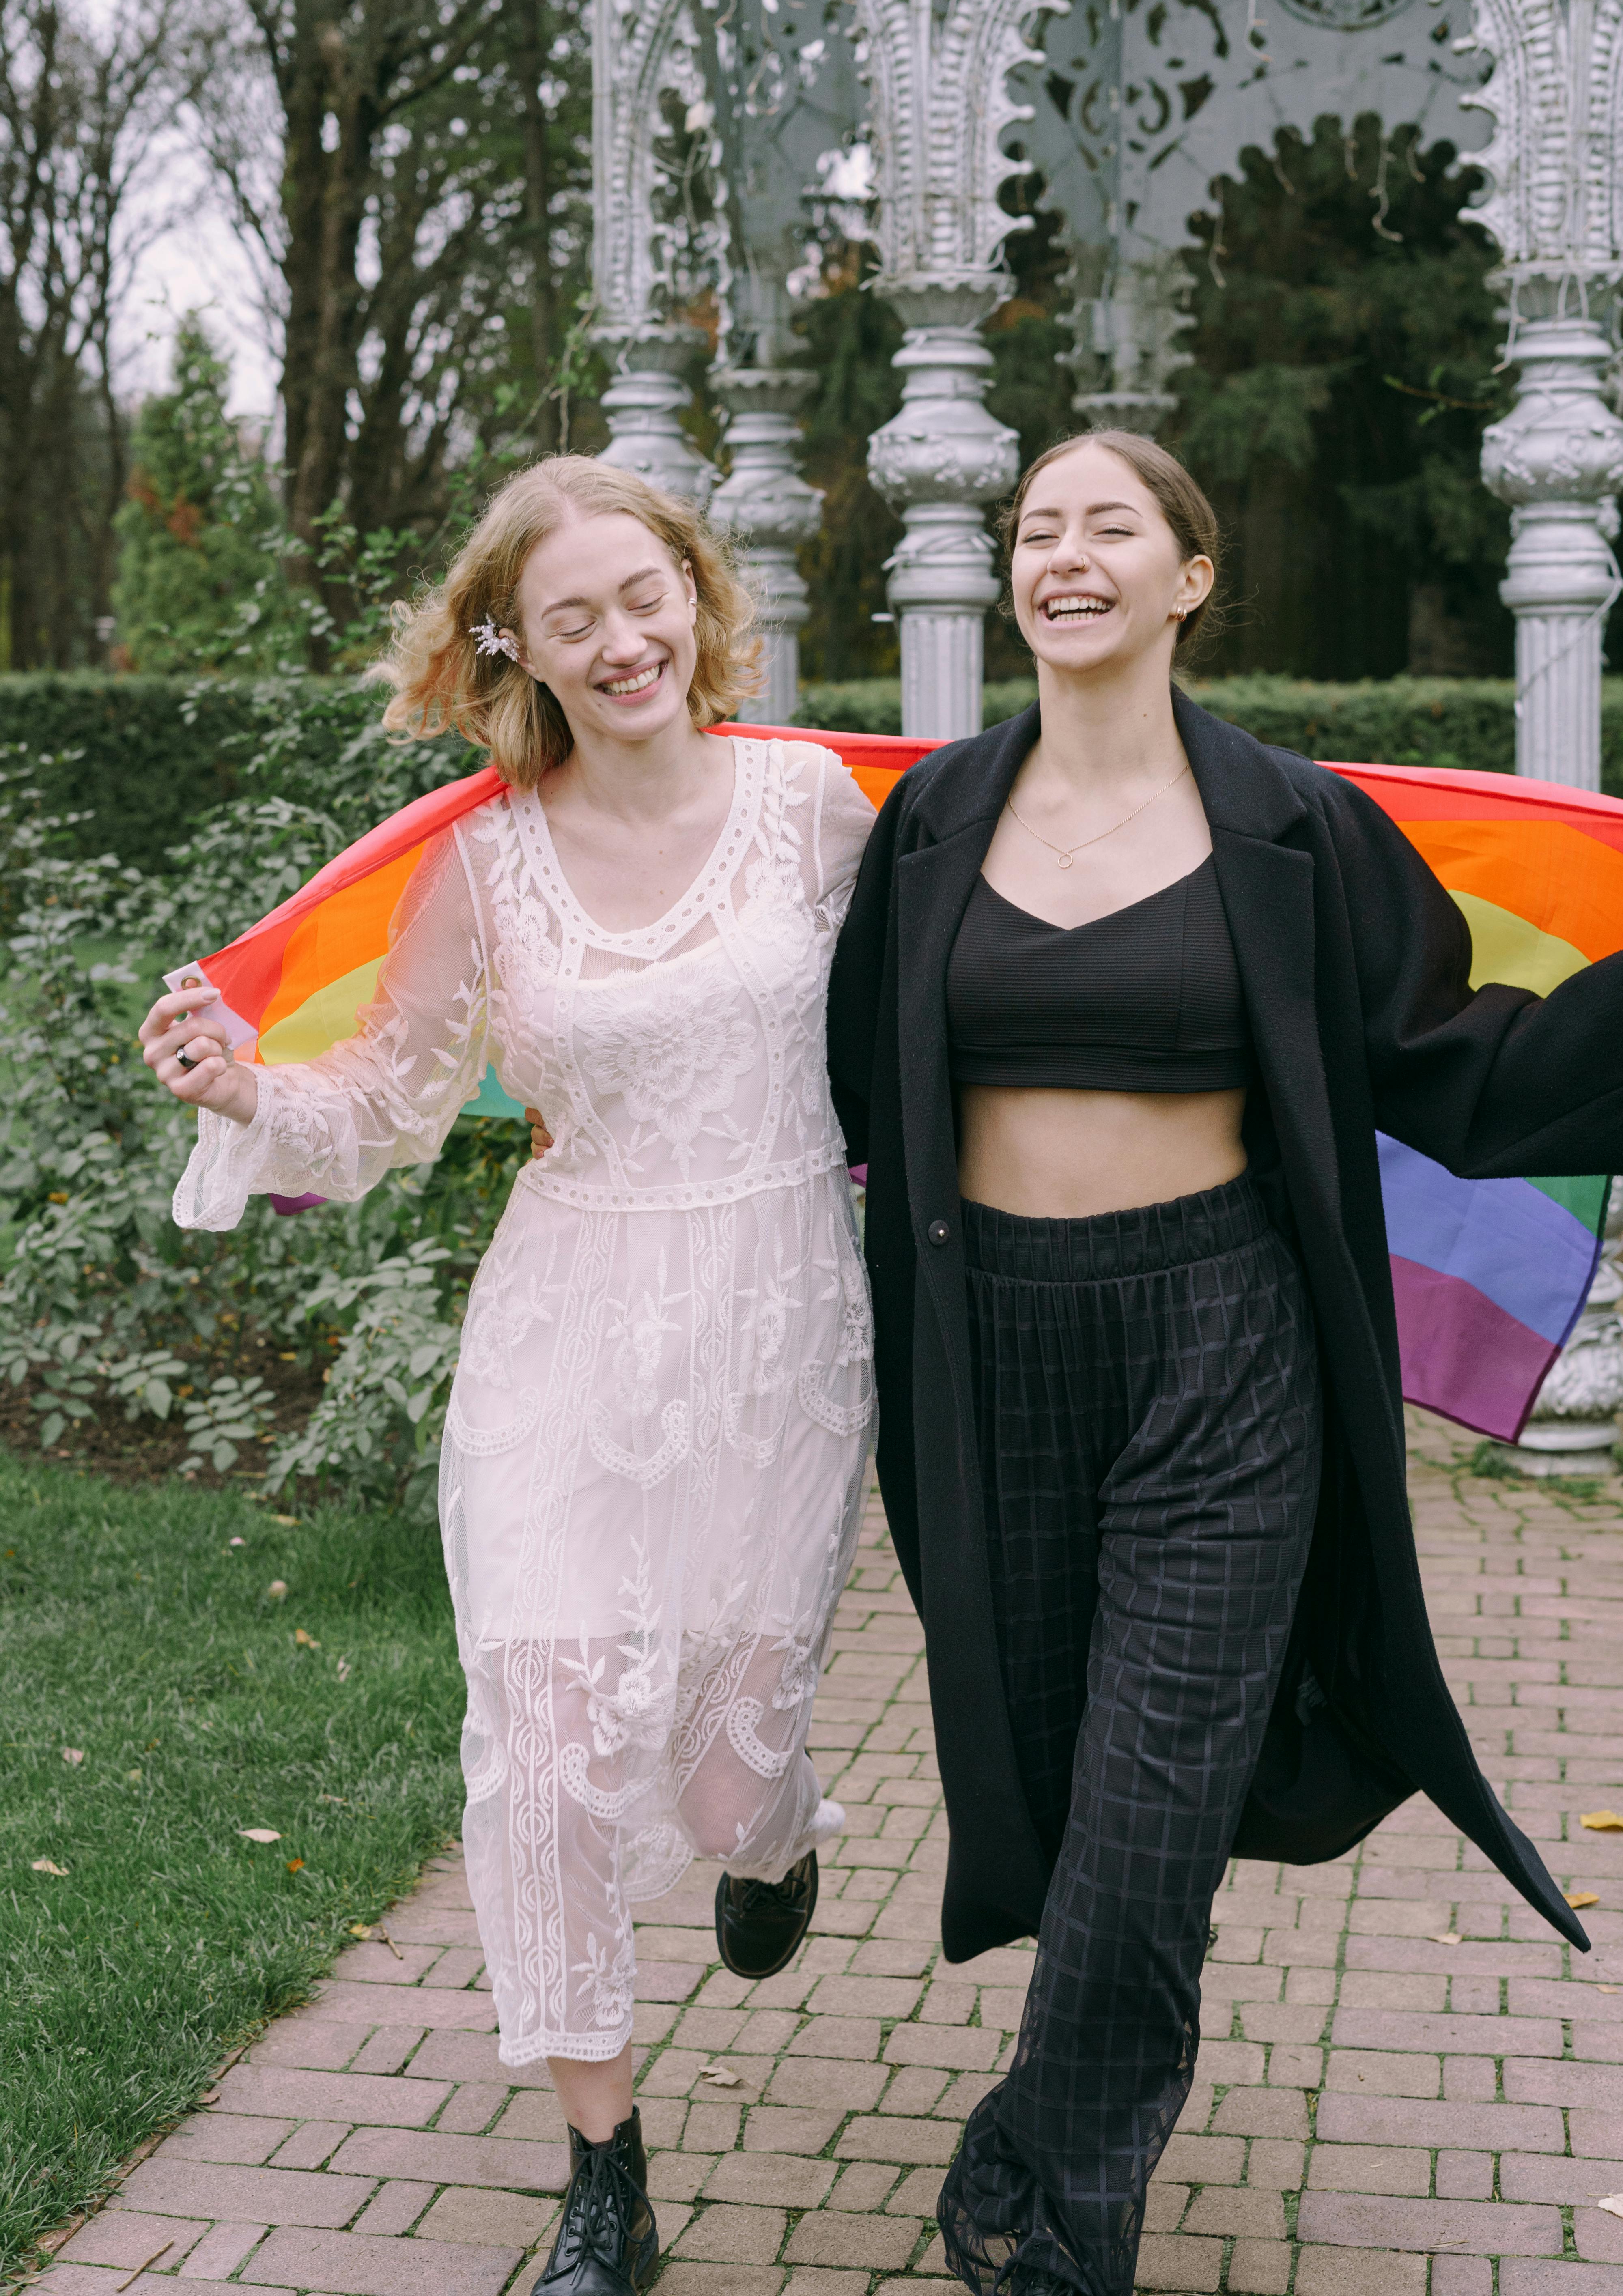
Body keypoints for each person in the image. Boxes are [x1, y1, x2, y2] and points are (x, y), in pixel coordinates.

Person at [825, 428, 1618, 2296]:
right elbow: (846, 1085)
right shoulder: (931, 822)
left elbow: (1461, 1067)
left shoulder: (1293, 825)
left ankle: (1064, 2206)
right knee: (1040, 1762)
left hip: (1223, 1341)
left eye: (1112, 526)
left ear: (1190, 579)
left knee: (1156, 1793)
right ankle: (1049, 2128)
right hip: (990, 1340)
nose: (1064, 553)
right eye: (1037, 528)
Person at [138, 455, 878, 2296]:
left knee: (725, 1772)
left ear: (696, 598)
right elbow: (385, 1104)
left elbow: (949, 1023)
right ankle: (603, 2179)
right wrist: (250, 1091)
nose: (620, 640)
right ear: (514, 646)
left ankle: (772, 1837)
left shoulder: (813, 809)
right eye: (573, 618)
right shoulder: (479, 858)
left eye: (645, 598)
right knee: (543, 1758)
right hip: (565, 1337)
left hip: (781, 1333)